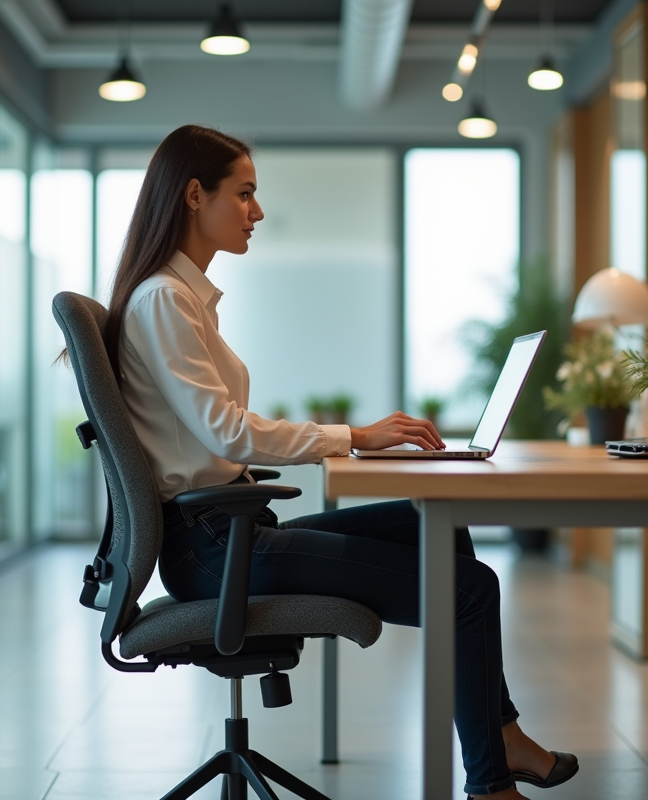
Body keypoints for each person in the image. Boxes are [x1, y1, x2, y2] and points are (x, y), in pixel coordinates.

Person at [103, 124, 579, 800]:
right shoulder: (164, 302)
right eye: (243, 195)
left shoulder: (183, 302)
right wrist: (353, 435)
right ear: (192, 195)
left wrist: (354, 438)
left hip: (226, 532)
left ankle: (499, 737)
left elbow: (218, 433)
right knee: (469, 591)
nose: (257, 212)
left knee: (433, 526)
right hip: (213, 551)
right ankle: (490, 784)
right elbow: (227, 433)